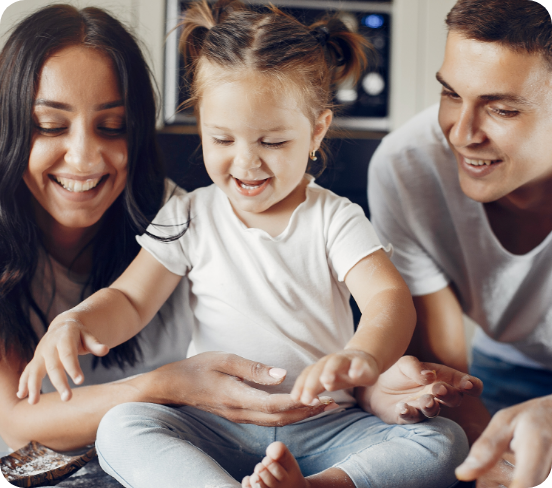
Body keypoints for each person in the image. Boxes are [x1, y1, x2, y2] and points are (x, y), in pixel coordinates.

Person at [17, 2, 479, 487]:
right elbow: (130, 300)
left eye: (273, 142)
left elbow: (388, 299)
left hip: (323, 423)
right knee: (121, 425)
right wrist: (76, 321)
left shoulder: (334, 218)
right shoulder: (189, 214)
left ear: (316, 130)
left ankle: (316, 486)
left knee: (444, 442)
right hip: (213, 425)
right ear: (201, 125)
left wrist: (364, 355)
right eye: (222, 139)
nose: (246, 163)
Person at [0, 3, 349, 455]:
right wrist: (167, 386)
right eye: (49, 126)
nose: (84, 158)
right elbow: (16, 421)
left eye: (112, 126)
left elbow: (302, 337)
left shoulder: (179, 215)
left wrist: (368, 382)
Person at [368, 1, 552, 487]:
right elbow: (449, 369)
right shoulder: (407, 167)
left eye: (503, 109)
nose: (462, 133)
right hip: (504, 366)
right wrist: (481, 450)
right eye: (451, 94)